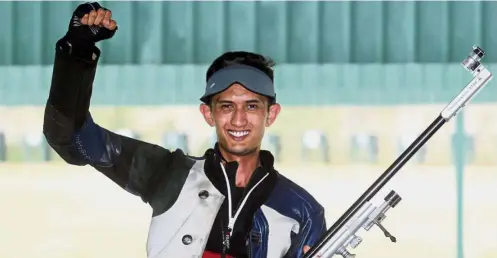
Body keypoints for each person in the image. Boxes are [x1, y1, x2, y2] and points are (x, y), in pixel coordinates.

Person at [43, 2, 327, 258]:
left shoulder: (302, 211)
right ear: (208, 113)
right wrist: (76, 52)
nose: (239, 120)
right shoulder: (170, 173)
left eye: (252, 106)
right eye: (227, 106)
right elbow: (72, 139)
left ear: (271, 114)